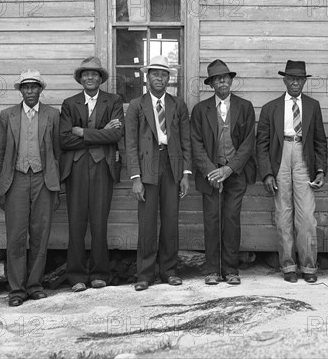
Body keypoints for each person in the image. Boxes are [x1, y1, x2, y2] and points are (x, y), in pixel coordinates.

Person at [256, 60, 327, 283]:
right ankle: (288, 266)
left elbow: (320, 141)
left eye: (300, 79)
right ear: (285, 80)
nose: (295, 82)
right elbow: (262, 144)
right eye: (291, 78)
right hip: (281, 155)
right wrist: (267, 173)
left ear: (305, 81)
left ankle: (308, 267)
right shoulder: (270, 108)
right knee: (283, 214)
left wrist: (321, 169)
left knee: (306, 216)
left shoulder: (313, 106)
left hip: (303, 155)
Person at [0, 69, 61, 306]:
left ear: (40, 90)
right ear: (21, 90)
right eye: (26, 87)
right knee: (16, 236)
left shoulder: (52, 115)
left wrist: (55, 182)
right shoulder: (7, 115)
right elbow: (0, 152)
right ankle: (16, 290)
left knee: (40, 235)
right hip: (16, 179)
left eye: (34, 87)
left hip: (43, 179)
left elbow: (57, 151)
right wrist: (3, 185)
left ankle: (34, 285)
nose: (30, 91)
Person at [125, 55, 191, 291]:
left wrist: (185, 173)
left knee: (171, 220)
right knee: (147, 221)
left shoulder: (177, 104)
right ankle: (144, 274)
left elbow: (186, 141)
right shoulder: (136, 105)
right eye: (155, 74)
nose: (159, 78)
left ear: (168, 78)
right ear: (147, 77)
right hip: (147, 167)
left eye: (163, 74)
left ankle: (169, 270)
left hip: (172, 164)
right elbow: (130, 143)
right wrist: (135, 178)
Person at [60, 57, 124, 292]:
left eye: (94, 74)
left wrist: (82, 132)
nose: (90, 77)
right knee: (76, 222)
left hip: (102, 167)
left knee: (99, 221)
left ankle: (100, 273)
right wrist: (99, 133)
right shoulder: (69, 103)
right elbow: (64, 139)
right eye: (86, 74)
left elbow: (116, 136)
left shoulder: (113, 101)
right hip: (75, 167)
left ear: (100, 78)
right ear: (81, 78)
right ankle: (75, 275)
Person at [191, 60, 256, 285]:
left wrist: (229, 169)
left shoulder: (245, 107)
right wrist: (212, 171)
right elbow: (196, 144)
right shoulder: (200, 110)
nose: (223, 82)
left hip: (235, 174)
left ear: (231, 80)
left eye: (226, 77)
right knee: (212, 220)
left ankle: (230, 270)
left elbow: (248, 143)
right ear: (211, 84)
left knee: (231, 220)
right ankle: (212, 270)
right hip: (210, 175)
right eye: (218, 79)